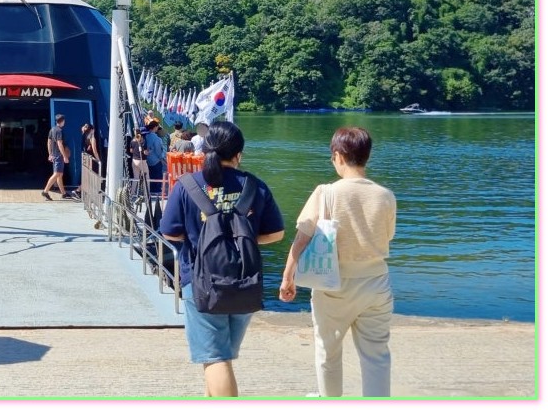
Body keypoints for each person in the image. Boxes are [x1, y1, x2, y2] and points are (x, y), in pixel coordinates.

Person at [160, 122, 285, 397]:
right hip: (245, 281)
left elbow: (170, 232)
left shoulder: (187, 187)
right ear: (238, 154)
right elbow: (276, 234)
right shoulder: (254, 186)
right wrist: (245, 239)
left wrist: (199, 241)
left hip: (201, 281)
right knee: (219, 357)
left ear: (204, 150)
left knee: (215, 358)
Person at [279, 127, 397, 398]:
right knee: (377, 355)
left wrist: (288, 277)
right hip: (376, 282)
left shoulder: (326, 192)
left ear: (338, 156)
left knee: (328, 351)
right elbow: (387, 236)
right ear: (366, 156)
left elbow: (302, 239)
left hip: (333, 284)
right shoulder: (385, 196)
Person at [41, 114, 70, 200]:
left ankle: (64, 193)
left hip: (54, 154)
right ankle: (45, 191)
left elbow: (49, 142)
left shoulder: (52, 129)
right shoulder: (59, 131)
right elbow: (59, 143)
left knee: (59, 174)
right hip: (59, 155)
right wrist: (65, 156)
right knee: (57, 173)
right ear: (62, 121)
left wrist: (50, 154)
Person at [143, 120, 167, 196]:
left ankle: (151, 189)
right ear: (155, 127)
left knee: (150, 174)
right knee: (158, 175)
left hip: (147, 159)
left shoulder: (145, 136)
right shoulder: (157, 138)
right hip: (156, 160)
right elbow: (158, 150)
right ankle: (157, 190)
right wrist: (162, 158)